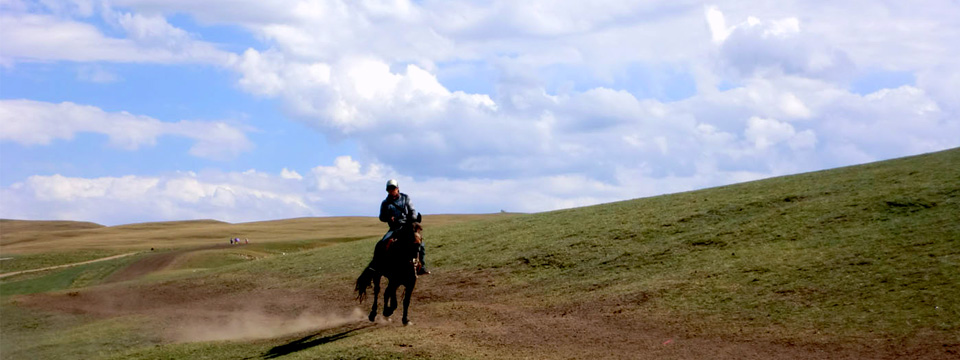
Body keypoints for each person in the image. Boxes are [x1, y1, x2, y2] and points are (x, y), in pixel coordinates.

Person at [379, 179, 429, 275]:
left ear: (397, 188)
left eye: (393, 188)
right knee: (383, 243)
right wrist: (388, 218)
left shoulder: (406, 198)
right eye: (389, 189)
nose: (391, 190)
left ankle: (421, 267)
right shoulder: (385, 203)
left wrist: (412, 219)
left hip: (407, 226)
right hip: (394, 228)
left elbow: (412, 211)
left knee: (420, 244)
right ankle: (380, 266)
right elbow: (381, 217)